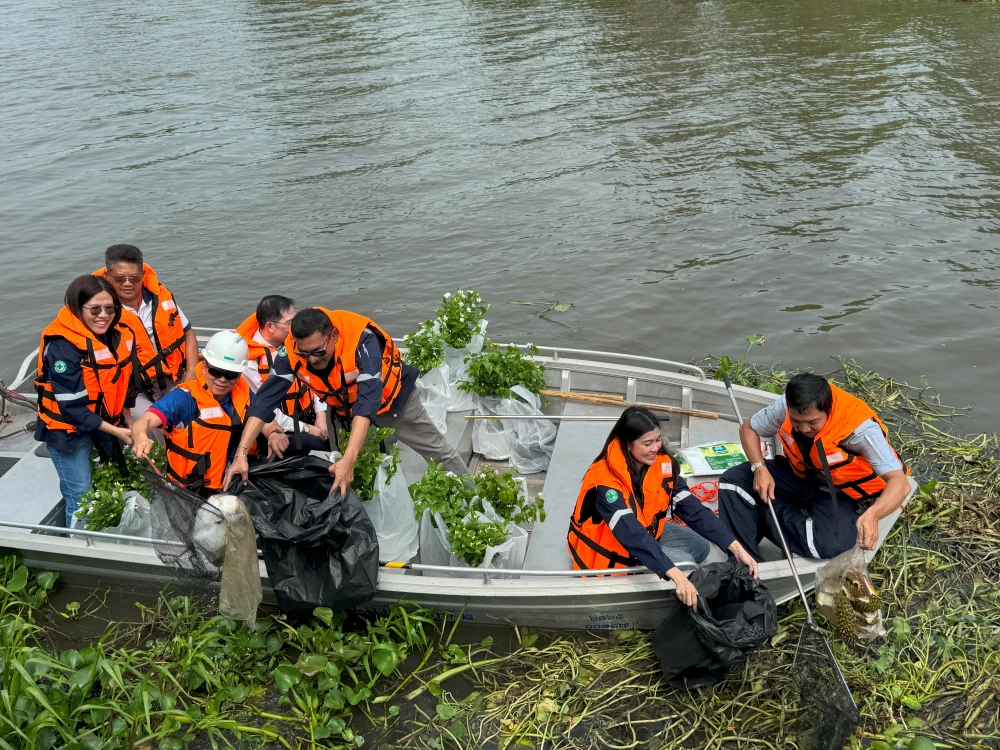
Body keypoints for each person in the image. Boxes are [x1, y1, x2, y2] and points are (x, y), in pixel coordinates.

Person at [223, 307, 470, 492]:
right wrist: (241, 454)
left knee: (437, 450)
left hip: (392, 402)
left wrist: (350, 457)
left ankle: (472, 494)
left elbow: (368, 401)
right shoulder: (291, 351)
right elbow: (265, 401)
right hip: (341, 407)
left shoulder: (362, 340)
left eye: (319, 351)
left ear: (334, 336)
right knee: (340, 463)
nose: (312, 360)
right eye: (304, 353)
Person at [567, 407, 758, 608]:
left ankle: (664, 564)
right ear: (627, 445)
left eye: (658, 440)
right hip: (617, 548)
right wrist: (676, 575)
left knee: (700, 547)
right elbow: (631, 534)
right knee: (685, 564)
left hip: (646, 530)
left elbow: (692, 509)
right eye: (647, 443)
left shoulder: (662, 465)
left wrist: (735, 547)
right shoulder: (605, 484)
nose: (655, 448)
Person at [717, 372, 910, 561]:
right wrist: (759, 468)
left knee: (831, 545)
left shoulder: (861, 431)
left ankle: (760, 514)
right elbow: (748, 429)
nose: (804, 429)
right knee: (732, 481)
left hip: (843, 492)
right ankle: (742, 563)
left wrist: (873, 515)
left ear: (828, 409)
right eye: (796, 422)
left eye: (813, 422)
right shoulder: (786, 404)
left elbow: (899, 483)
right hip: (801, 475)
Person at [34, 275, 137, 526]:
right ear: (77, 308)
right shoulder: (62, 348)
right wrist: (117, 431)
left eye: (110, 308)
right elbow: (73, 409)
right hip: (69, 431)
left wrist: (127, 420)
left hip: (104, 423)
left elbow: (121, 382)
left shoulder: (114, 335)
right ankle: (79, 550)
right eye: (95, 309)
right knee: (80, 496)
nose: (104, 315)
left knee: (114, 481)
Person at [131, 331, 278, 494]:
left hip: (234, 478)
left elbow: (264, 418)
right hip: (193, 488)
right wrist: (141, 436)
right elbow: (145, 421)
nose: (222, 380)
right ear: (205, 366)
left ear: (240, 374)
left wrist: (274, 433)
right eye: (216, 372)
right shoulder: (184, 398)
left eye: (231, 375)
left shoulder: (243, 393)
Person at [95, 244, 199, 413]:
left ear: (143, 275)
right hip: (132, 390)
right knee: (154, 423)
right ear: (108, 276)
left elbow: (188, 333)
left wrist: (192, 371)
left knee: (193, 412)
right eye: (120, 279)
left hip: (173, 377)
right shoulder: (100, 311)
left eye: (134, 278)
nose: (128, 284)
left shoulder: (160, 298)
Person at [235, 295, 329, 455]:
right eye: (289, 323)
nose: (295, 327)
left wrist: (321, 415)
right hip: (277, 426)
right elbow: (263, 406)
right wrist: (307, 428)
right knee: (320, 446)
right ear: (270, 326)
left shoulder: (297, 344)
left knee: (327, 440)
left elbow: (314, 379)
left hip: (307, 414)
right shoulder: (250, 362)